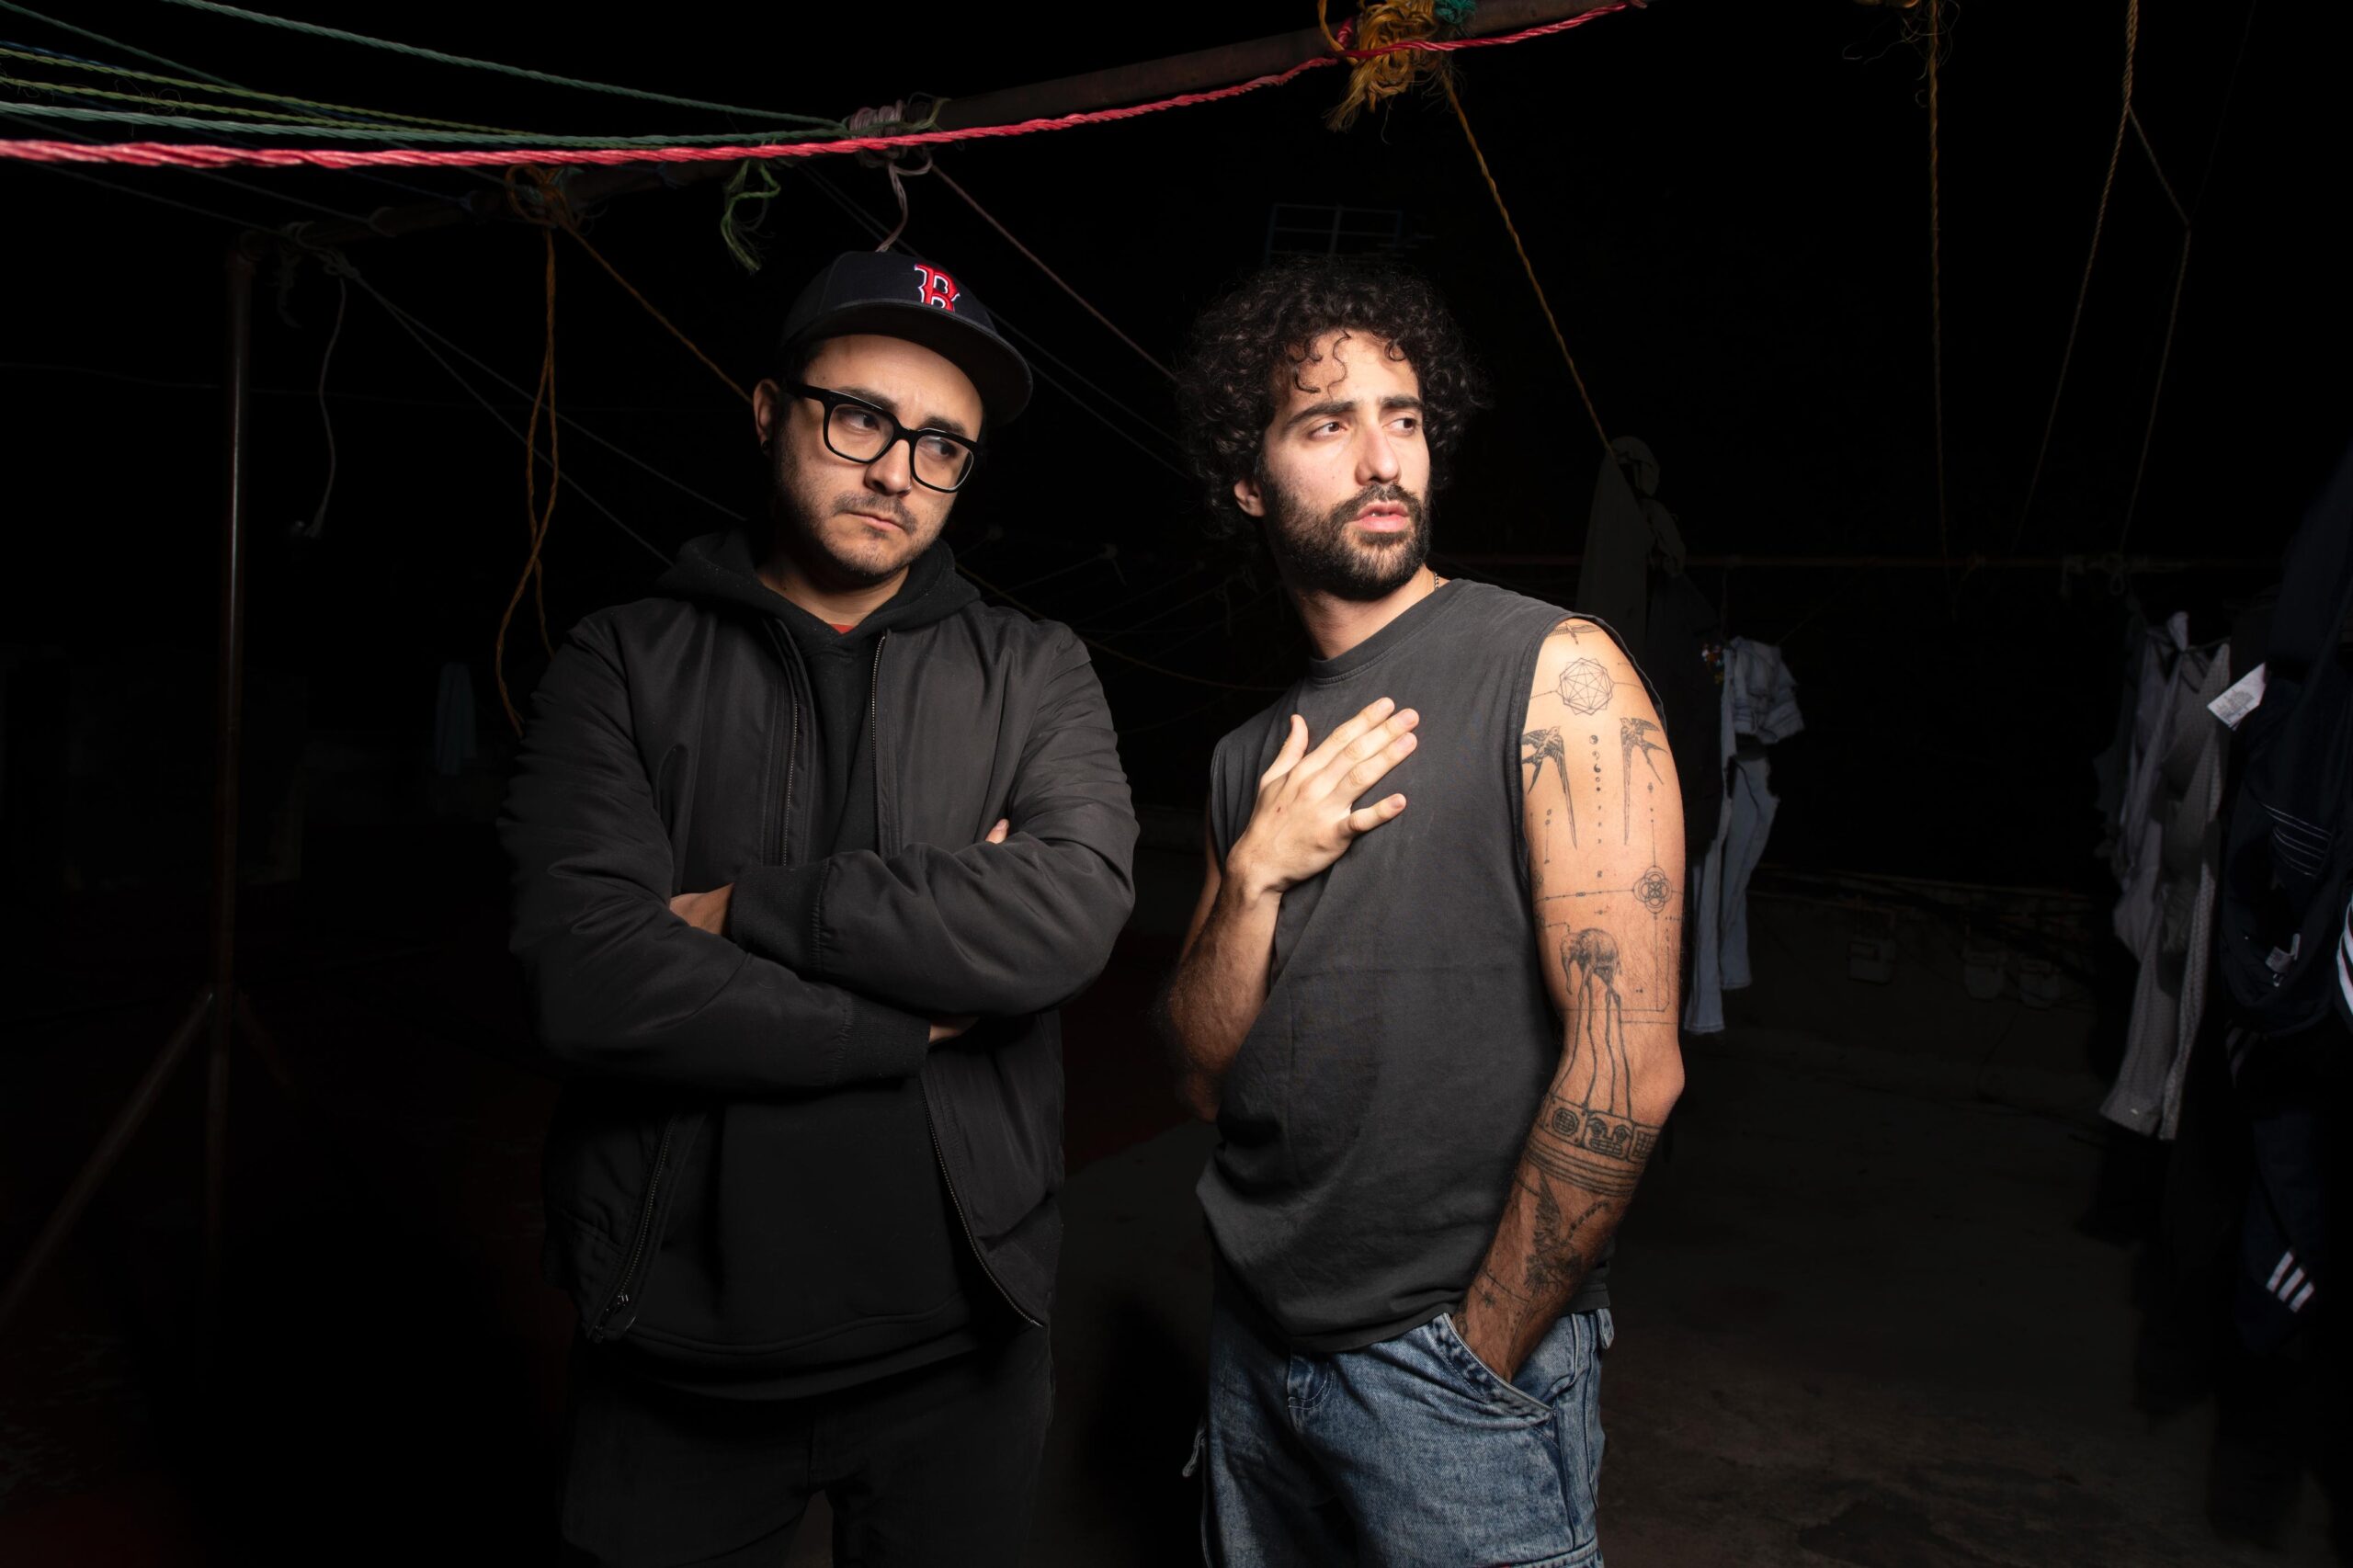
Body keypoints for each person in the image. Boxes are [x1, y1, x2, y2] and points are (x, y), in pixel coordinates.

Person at [501, 250, 1137, 1566]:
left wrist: (745, 908)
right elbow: (589, 972)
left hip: (963, 1347)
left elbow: (1071, 911)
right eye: (860, 417)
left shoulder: (1033, 668)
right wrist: (912, 1020)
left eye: (942, 445)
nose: (897, 470)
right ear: (767, 412)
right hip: (677, 1353)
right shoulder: (621, 662)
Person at [1162, 258, 1686, 1567]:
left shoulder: (1554, 669)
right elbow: (1200, 1076)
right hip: (1253, 1346)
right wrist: (1256, 873)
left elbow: (1629, 1066)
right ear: (1247, 479)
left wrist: (1480, 1353)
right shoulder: (1246, 758)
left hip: (1443, 1374)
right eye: (1324, 424)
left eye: (1403, 417)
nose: (1381, 457)